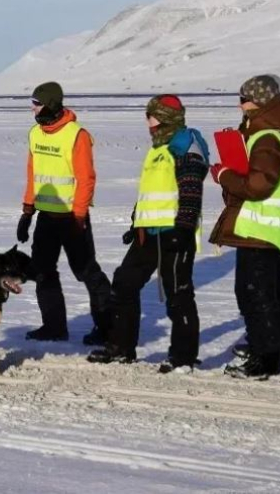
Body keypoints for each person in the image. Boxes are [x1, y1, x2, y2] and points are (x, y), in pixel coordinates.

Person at [88, 95, 208, 371]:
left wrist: (184, 227)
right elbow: (151, 193)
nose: (147, 121)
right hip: (148, 232)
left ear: (164, 117)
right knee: (124, 283)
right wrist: (136, 222)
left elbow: (191, 189)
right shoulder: (158, 147)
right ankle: (121, 348)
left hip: (175, 232)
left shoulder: (185, 144)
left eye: (150, 116)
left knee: (178, 293)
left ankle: (183, 357)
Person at [210, 74, 280, 380]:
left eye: (244, 99)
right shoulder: (272, 133)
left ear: (259, 102)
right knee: (275, 286)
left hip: (259, 227)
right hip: (268, 227)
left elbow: (257, 185)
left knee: (254, 291)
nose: (240, 104)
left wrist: (225, 175)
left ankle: (266, 357)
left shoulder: (267, 136)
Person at [16, 81, 112, 343]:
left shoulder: (76, 135)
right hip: (46, 218)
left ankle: (107, 327)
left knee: (86, 272)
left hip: (72, 218)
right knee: (43, 271)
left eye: (36, 105)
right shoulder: (35, 134)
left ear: (50, 105)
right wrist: (27, 212)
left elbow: (86, 179)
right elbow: (33, 174)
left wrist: (79, 218)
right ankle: (54, 327)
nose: (32, 110)